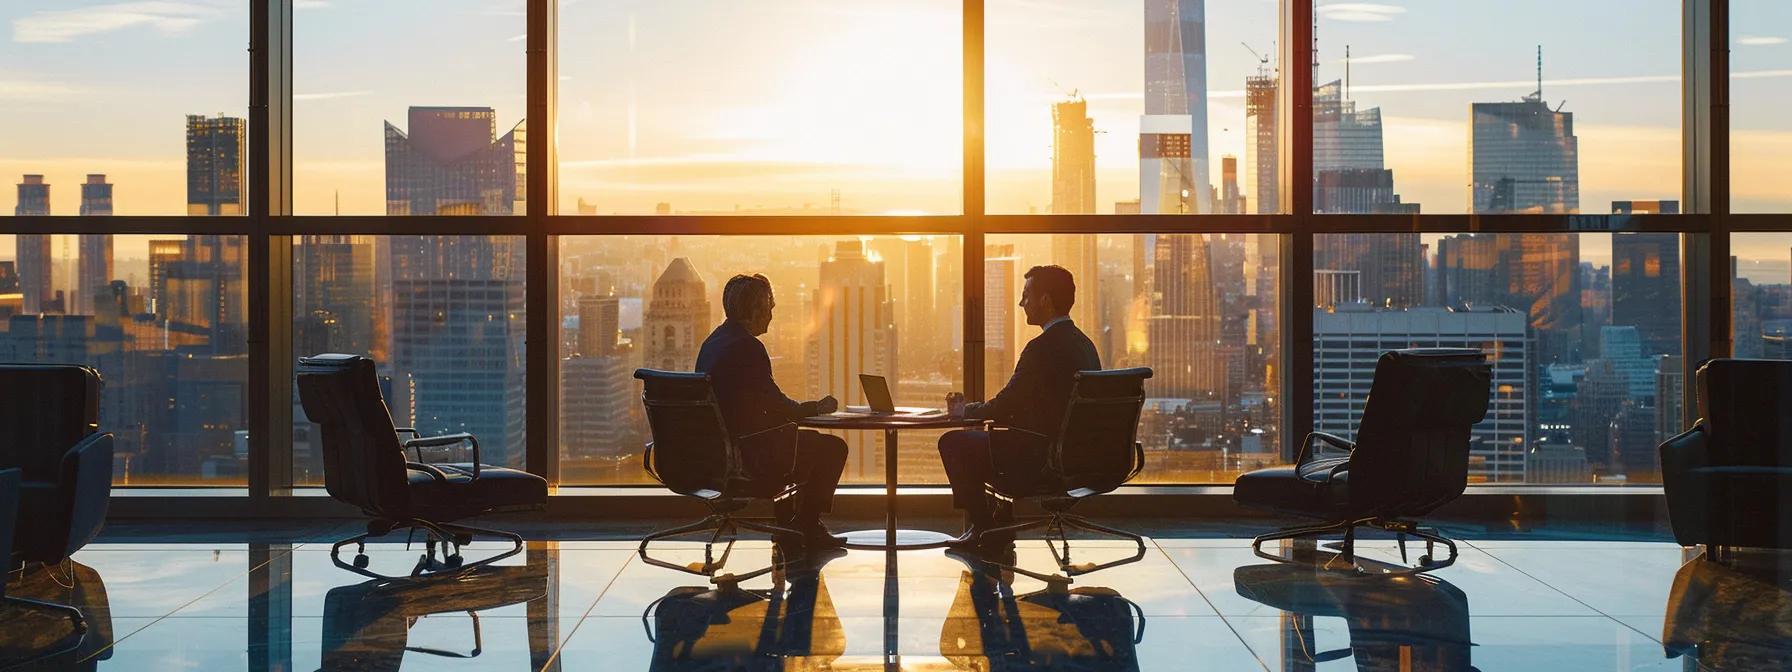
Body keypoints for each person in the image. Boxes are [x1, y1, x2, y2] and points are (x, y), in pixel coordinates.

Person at [939, 265, 1100, 549]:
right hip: (1081, 455)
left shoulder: (1041, 349)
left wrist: (966, 411)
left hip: (1042, 457)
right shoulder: (1085, 345)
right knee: (993, 435)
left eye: (1026, 295)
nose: (1021, 303)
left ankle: (984, 530)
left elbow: (1007, 404)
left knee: (954, 443)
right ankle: (997, 528)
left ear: (1045, 300)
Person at [696, 273, 848, 548]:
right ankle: (806, 527)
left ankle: (789, 529)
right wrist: (814, 408)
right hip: (746, 455)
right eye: (769, 307)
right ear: (754, 310)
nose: (771, 315)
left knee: (798, 442)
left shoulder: (714, 342)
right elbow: (775, 405)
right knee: (832, 448)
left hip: (715, 453)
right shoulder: (747, 347)